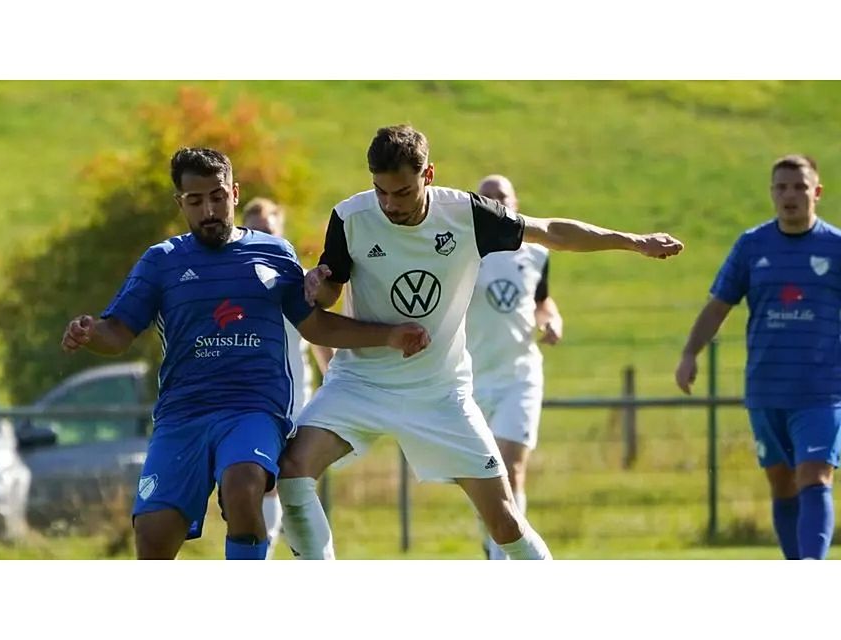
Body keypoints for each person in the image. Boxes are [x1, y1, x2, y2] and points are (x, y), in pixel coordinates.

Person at [277, 124, 684, 560]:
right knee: (292, 472)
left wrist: (634, 242)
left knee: (505, 521)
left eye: (402, 192)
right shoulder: (351, 217)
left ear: (428, 175)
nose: (390, 205)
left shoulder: (467, 214)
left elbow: (551, 232)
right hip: (361, 383)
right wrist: (317, 284)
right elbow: (331, 290)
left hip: (440, 392)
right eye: (381, 192)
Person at [60, 147, 430, 560]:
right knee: (152, 535)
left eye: (218, 197)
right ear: (180, 203)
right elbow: (117, 333)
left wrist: (389, 335)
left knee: (243, 485)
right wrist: (89, 333)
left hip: (253, 408)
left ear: (234, 193)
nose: (209, 210)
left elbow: (315, 325)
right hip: (184, 415)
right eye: (196, 201)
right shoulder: (161, 262)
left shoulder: (274, 253)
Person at [675, 154, 841, 560]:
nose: (790, 195)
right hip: (767, 388)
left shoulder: (836, 248)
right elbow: (718, 305)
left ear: (816, 192)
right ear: (772, 193)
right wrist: (690, 353)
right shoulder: (752, 246)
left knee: (814, 476)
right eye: (782, 187)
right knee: (782, 484)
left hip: (822, 390)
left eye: (800, 187)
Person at [466, 174, 563, 560]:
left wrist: (551, 320)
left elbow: (542, 301)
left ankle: (508, 560)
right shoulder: (463, 251)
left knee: (511, 468)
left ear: (516, 201)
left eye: (502, 195)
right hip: (471, 378)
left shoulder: (536, 253)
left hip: (519, 376)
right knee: (484, 479)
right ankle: (495, 544)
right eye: (486, 197)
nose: (496, 202)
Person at [241, 197, 335, 559]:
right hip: (253, 396)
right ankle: (274, 549)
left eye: (268, 229)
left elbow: (320, 337)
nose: (262, 236)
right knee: (265, 481)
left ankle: (278, 550)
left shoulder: (297, 281)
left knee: (283, 481)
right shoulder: (236, 282)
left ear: (280, 231)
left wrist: (337, 382)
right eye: (254, 230)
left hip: (295, 397)